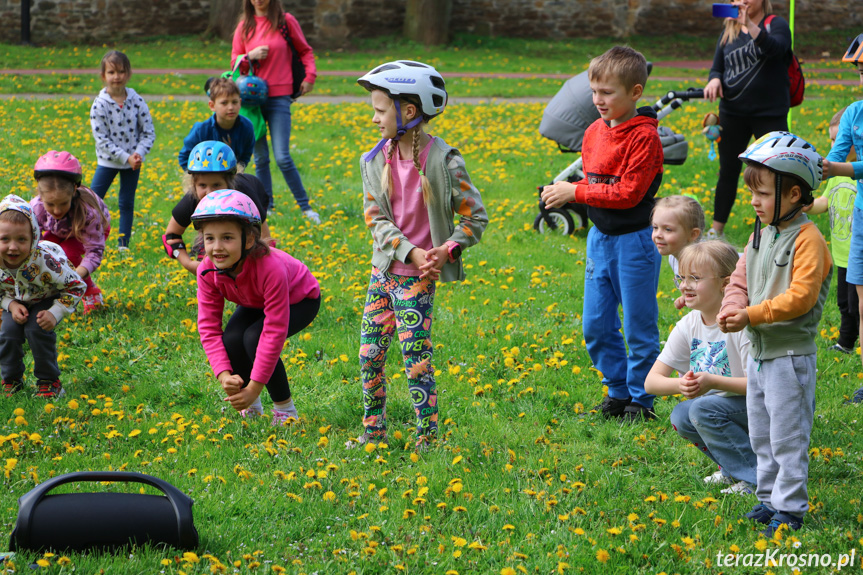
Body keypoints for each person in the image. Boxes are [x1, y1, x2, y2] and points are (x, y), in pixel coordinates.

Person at [351, 60, 488, 449]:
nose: (375, 119)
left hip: (417, 283)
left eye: (380, 110)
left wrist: (447, 249)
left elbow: (474, 217)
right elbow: (375, 218)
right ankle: (373, 432)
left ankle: (427, 437)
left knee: (416, 360)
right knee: (369, 355)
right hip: (384, 275)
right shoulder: (374, 159)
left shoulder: (445, 162)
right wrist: (408, 251)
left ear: (408, 112)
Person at [541, 46, 664, 422]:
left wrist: (575, 191)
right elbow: (596, 182)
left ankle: (641, 401)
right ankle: (618, 390)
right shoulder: (593, 131)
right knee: (595, 324)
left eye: (608, 93)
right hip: (600, 239)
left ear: (635, 92)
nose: (598, 100)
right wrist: (573, 189)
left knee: (639, 326)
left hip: (635, 242)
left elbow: (628, 193)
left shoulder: (645, 138)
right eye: (595, 91)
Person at [718, 131, 832, 537]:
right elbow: (740, 277)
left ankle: (790, 509)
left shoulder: (809, 240)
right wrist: (733, 304)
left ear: (794, 194)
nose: (754, 201)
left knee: (787, 437)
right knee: (762, 435)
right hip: (760, 356)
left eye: (763, 193)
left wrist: (751, 315)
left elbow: (801, 298)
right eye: (753, 192)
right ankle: (768, 499)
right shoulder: (761, 234)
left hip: (789, 357)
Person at [194, 189, 319, 424]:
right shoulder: (207, 270)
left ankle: (285, 410)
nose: (217, 247)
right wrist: (223, 374)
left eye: (227, 237)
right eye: (210, 238)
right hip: (255, 300)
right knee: (231, 338)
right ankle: (251, 407)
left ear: (249, 239)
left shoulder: (270, 268)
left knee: (255, 337)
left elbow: (273, 332)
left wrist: (254, 386)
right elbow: (209, 328)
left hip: (301, 299)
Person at [645, 241, 756, 495]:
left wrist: (713, 382)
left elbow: (761, 386)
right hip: (719, 409)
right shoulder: (689, 324)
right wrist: (681, 384)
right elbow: (651, 382)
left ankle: (758, 479)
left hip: (760, 408)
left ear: (725, 284)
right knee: (682, 415)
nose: (684, 285)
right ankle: (732, 468)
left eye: (694, 278)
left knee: (702, 408)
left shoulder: (742, 323)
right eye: (681, 277)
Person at [703, 0, 792, 239]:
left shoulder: (776, 25)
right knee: (728, 171)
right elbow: (717, 68)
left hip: (769, 113)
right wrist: (714, 79)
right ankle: (716, 229)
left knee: (775, 171)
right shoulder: (728, 31)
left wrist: (750, 25)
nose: (741, 2)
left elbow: (777, 50)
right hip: (733, 112)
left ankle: (780, 227)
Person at [231, 0, 320, 224]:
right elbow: (234, 61)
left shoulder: (285, 21)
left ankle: (305, 207)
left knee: (282, 157)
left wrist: (310, 77)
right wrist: (249, 56)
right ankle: (266, 206)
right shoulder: (244, 26)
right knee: (260, 158)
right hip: (252, 100)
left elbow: (305, 51)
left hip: (280, 96)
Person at [0, 194, 86, 399]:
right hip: (15, 299)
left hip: (45, 297)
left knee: (37, 329)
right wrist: (10, 305)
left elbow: (76, 286)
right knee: (8, 333)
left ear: (34, 238)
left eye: (22, 239)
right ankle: (11, 380)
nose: (13, 247)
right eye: (4, 239)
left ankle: (49, 381)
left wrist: (55, 312)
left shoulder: (46, 262)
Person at [824, 33, 863, 404]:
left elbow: (843, 164)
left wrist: (841, 167)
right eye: (862, 71)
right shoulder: (853, 113)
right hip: (861, 220)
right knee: (861, 303)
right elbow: (833, 157)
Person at [164, 141, 271, 275]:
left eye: (216, 185)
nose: (210, 193)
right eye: (202, 185)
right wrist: (189, 264)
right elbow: (171, 236)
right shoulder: (193, 197)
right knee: (213, 265)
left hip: (249, 205)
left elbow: (267, 243)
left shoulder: (246, 197)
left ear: (230, 182)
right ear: (193, 185)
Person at [89, 50, 156, 250]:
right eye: (111, 72)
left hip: (133, 163)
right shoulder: (99, 104)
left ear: (128, 74)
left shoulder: (137, 101)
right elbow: (101, 139)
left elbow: (148, 132)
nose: (116, 76)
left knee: (126, 202)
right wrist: (125, 157)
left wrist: (138, 154)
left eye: (120, 71)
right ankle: (89, 238)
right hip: (107, 162)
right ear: (103, 76)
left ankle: (123, 243)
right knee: (92, 201)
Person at [805, 107, 858, 355]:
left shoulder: (852, 174)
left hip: (855, 248)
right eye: (833, 139)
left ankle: (849, 341)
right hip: (842, 253)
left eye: (840, 138)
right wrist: (807, 205)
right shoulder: (835, 175)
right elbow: (825, 203)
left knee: (857, 303)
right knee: (845, 302)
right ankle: (846, 342)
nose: (836, 144)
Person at [31, 150, 111, 314]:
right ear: (40, 194)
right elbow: (32, 244)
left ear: (74, 189)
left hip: (89, 231)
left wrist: (74, 277)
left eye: (63, 203)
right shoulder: (36, 207)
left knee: (68, 255)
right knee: (46, 253)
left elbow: (94, 252)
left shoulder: (89, 213)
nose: (57, 210)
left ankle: (91, 292)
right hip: (59, 229)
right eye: (50, 204)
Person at [178, 77, 256, 171]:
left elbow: (245, 156)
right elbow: (184, 157)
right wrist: (198, 178)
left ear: (240, 103)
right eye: (224, 103)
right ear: (212, 105)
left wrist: (237, 172)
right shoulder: (201, 130)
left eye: (234, 102)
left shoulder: (247, 127)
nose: (231, 107)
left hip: (232, 179)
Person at [651, 195, 705, 307]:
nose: (658, 235)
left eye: (668, 229)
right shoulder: (674, 257)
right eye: (655, 227)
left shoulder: (705, 262)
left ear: (693, 234)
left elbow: (721, 292)